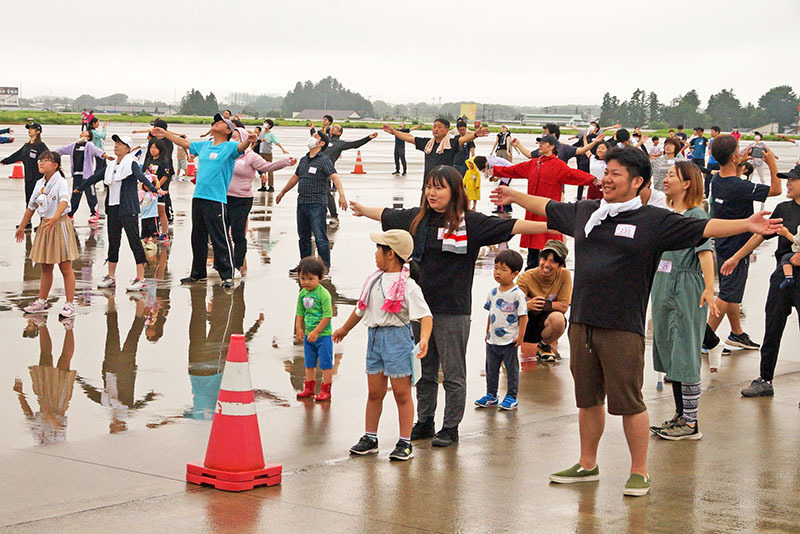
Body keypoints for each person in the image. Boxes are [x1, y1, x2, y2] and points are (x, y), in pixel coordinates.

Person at [491, 146, 782, 496]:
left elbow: (704, 227)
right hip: (583, 322)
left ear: (638, 181)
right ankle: (587, 464)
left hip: (622, 326)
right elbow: (546, 208)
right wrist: (512, 193)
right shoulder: (588, 211)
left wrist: (748, 223)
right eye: (606, 171)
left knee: (629, 402)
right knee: (587, 399)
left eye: (615, 173)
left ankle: (639, 471)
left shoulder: (652, 221)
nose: (607, 178)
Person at [349, 165, 549, 448]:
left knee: (454, 373)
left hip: (453, 310)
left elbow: (514, 225)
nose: (432, 192)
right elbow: (386, 215)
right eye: (429, 186)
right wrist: (361, 208)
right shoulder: (417, 220)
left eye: (439, 187)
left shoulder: (472, 223)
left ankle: (451, 426)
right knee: (425, 372)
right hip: (419, 310)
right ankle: (425, 421)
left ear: (455, 192)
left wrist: (553, 224)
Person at [334, 230, 433, 461]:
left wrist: (424, 339)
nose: (375, 254)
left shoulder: (409, 286)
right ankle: (370, 437)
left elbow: (425, 316)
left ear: (391, 254)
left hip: (397, 339)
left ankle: (405, 442)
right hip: (375, 337)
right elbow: (360, 309)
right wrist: (344, 329)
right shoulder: (373, 280)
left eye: (378, 249)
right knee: (374, 392)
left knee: (401, 393)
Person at [649, 162, 718, 441]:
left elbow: (705, 254)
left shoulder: (696, 215)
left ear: (687, 183)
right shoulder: (672, 214)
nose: (665, 180)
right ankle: (680, 415)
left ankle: (690, 423)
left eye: (671, 176)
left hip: (686, 289)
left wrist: (709, 288)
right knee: (672, 353)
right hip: (665, 288)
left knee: (686, 353)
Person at [721, 164, 800, 397]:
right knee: (772, 327)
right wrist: (735, 258)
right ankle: (765, 379)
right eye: (787, 179)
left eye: (793, 180)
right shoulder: (783, 208)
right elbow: (759, 236)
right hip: (783, 277)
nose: (788, 183)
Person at [152, 114, 255, 288]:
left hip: (216, 199)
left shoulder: (229, 146)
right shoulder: (205, 145)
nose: (216, 123)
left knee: (219, 237)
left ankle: (227, 274)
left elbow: (241, 147)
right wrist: (165, 133)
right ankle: (198, 274)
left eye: (221, 122)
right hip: (199, 197)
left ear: (228, 130)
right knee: (197, 237)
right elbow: (185, 144)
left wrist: (250, 141)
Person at [704, 136, 782, 355]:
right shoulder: (741, 186)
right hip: (739, 247)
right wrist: (771, 163)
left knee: (732, 290)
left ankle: (736, 332)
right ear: (732, 155)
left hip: (722, 241)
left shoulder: (718, 180)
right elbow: (776, 190)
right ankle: (705, 336)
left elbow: (731, 178)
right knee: (728, 293)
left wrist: (737, 162)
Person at [490, 134, 597, 269]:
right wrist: (494, 170)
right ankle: (530, 274)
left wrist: (592, 180)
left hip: (548, 212)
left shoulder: (558, 165)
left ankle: (555, 273)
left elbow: (574, 175)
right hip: (532, 212)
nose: (540, 145)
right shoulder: (534, 163)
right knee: (532, 251)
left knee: (551, 246)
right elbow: (514, 170)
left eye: (544, 143)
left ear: (552, 147)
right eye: (539, 143)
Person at [76, 135, 163, 292]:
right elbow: (95, 177)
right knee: (113, 242)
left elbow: (141, 177)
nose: (116, 146)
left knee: (134, 242)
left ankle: (141, 278)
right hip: (113, 209)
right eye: (115, 143)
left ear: (128, 148)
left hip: (128, 209)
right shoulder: (111, 166)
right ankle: (111, 276)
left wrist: (155, 189)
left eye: (120, 144)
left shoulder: (131, 164)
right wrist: (80, 188)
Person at [14, 151, 79, 318]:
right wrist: (22, 227)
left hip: (59, 225)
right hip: (45, 226)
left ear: (55, 165)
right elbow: (31, 207)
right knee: (45, 266)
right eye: (40, 160)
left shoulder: (61, 182)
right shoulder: (40, 183)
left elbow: (64, 202)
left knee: (65, 267)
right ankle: (42, 301)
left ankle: (70, 304)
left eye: (46, 161)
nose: (41, 163)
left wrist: (54, 219)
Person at [227, 127, 295, 276]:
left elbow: (267, 166)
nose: (233, 138)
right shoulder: (228, 153)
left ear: (245, 138)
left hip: (242, 199)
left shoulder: (250, 156)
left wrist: (285, 162)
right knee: (221, 233)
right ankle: (223, 264)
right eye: (232, 136)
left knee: (238, 234)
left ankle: (237, 265)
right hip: (223, 198)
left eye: (236, 136)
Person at [276, 131, 347, 271]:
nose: (311, 138)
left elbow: (335, 177)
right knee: (303, 237)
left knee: (320, 237)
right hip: (302, 202)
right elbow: (295, 177)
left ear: (321, 143)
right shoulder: (304, 159)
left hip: (317, 203)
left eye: (315, 137)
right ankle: (304, 265)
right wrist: (282, 192)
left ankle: (324, 265)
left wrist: (342, 195)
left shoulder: (324, 160)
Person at [474, 249, 528, 410]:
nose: (498, 272)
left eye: (503, 269)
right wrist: (486, 332)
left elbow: (523, 316)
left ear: (515, 273)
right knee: (491, 369)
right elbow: (491, 314)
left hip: (509, 340)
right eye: (496, 268)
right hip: (492, 340)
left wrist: (521, 336)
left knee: (511, 370)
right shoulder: (493, 293)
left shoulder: (517, 295)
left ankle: (511, 396)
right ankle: (491, 395)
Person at [382, 118, 489, 184]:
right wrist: (394, 132)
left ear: (446, 130)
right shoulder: (427, 144)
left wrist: (474, 135)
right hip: (428, 186)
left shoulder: (451, 144)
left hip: (445, 187)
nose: (436, 129)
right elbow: (409, 138)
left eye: (439, 127)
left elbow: (462, 139)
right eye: (434, 126)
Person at [516, 240, 571, 362]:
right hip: (525, 322)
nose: (546, 265)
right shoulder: (526, 277)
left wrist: (541, 303)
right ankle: (508, 350)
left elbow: (563, 306)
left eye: (553, 261)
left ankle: (544, 345)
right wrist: (527, 305)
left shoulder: (565, 275)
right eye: (544, 259)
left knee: (559, 319)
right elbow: (513, 305)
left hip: (545, 320)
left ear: (561, 265)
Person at [294, 256, 334, 401]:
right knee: (309, 363)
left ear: (320, 277)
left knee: (325, 364)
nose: (306, 282)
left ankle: (326, 389)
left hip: (323, 335)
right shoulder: (302, 294)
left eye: (311, 278)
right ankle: (309, 388)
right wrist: (299, 328)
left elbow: (328, 316)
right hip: (308, 336)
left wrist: (317, 331)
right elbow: (299, 312)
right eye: (303, 278)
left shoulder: (324, 295)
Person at [322, 125, 378, 227]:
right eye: (333, 126)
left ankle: (334, 216)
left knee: (326, 193)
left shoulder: (340, 144)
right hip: (315, 169)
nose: (333, 128)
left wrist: (368, 138)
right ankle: (320, 214)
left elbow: (355, 144)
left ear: (339, 133)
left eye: (336, 128)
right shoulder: (324, 141)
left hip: (326, 171)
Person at [55, 130, 113, 223]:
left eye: (85, 132)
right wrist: (53, 158)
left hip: (87, 176)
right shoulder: (73, 145)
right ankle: (70, 214)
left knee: (90, 195)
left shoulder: (89, 145)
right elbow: (60, 150)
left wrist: (107, 157)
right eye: (82, 132)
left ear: (89, 137)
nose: (82, 132)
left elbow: (98, 151)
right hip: (77, 175)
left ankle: (94, 213)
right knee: (75, 195)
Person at [2, 122, 48, 213]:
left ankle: (43, 222)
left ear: (38, 131)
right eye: (29, 128)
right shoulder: (26, 146)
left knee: (41, 201)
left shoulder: (41, 146)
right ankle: (27, 222)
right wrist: (4, 161)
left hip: (39, 179)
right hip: (29, 178)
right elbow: (16, 155)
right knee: (29, 201)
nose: (29, 130)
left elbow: (49, 158)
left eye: (32, 128)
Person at [140, 139, 172, 243]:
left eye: (155, 148)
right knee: (148, 213)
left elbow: (166, 176)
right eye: (151, 148)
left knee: (161, 212)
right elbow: (143, 175)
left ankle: (164, 233)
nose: (152, 150)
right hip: (148, 192)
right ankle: (148, 234)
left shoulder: (164, 162)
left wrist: (157, 188)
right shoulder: (148, 161)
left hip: (159, 191)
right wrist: (146, 188)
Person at [257, 119, 288, 192]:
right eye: (264, 122)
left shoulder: (271, 135)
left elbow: (277, 142)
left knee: (270, 169)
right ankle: (263, 185)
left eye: (266, 123)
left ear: (269, 125)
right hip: (261, 153)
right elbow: (257, 141)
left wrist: (282, 149)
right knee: (262, 169)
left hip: (268, 153)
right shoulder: (261, 133)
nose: (264, 124)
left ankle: (271, 186)